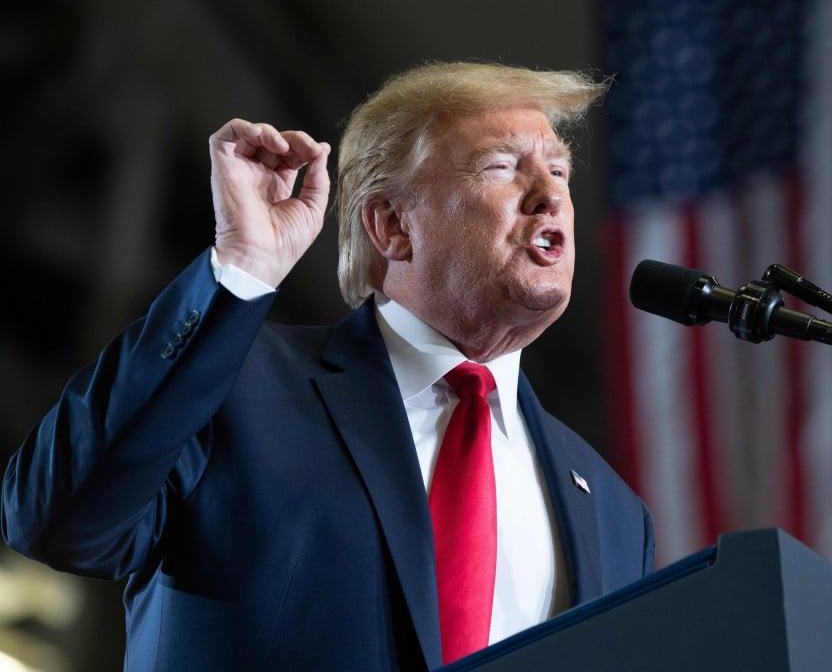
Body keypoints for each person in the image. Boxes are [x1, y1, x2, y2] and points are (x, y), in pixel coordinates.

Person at [1, 61, 654, 670]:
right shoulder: (235, 388)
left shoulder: (617, 516)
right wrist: (243, 265)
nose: (549, 197)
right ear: (393, 225)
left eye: (560, 172)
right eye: (502, 166)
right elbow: (56, 521)